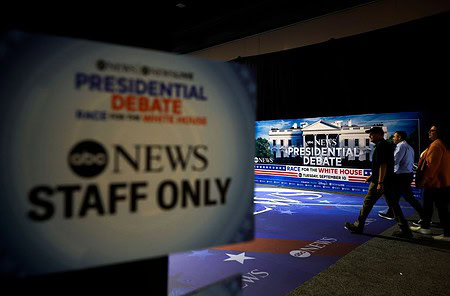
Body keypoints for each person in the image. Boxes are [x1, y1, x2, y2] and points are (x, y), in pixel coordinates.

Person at [345, 126, 413, 238]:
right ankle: (405, 229)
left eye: (371, 134)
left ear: (378, 134)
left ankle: (358, 225)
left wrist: (380, 182)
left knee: (367, 203)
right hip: (388, 181)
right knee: (394, 206)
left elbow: (383, 164)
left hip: (381, 182)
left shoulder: (381, 146)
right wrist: (372, 175)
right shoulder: (384, 145)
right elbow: (382, 164)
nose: (369, 136)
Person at [410, 124, 450, 241]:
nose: (429, 132)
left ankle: (447, 234)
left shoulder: (436, 145)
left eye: (432, 131)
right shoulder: (442, 145)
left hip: (435, 183)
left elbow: (431, 167)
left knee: (441, 210)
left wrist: (424, 180)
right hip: (440, 182)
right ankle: (425, 226)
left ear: (438, 132)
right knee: (429, 207)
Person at [378, 131, 424, 225]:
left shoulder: (401, 146)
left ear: (399, 137)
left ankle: (424, 217)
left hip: (401, 176)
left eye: (394, 137)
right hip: (406, 175)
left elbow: (394, 161)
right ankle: (391, 212)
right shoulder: (409, 147)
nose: (393, 138)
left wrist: (384, 162)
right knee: (397, 197)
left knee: (402, 197)